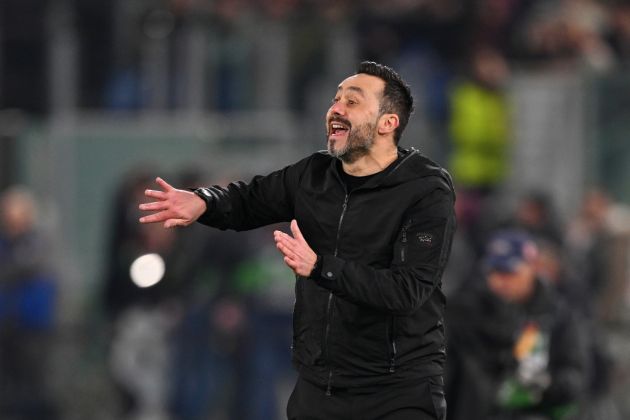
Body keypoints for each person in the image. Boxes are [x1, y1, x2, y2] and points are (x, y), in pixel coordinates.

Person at [138, 61, 456, 420]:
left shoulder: (425, 190)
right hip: (320, 389)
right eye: (335, 100)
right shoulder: (313, 175)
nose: (335, 108)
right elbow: (248, 199)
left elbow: (407, 290)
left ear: (388, 123)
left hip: (397, 392)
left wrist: (322, 268)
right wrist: (204, 201)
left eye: (352, 101)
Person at [445, 230, 588, 420]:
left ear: (533, 267)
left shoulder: (558, 314)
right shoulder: (466, 311)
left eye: (509, 272)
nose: (500, 281)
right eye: (494, 272)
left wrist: (545, 384)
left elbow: (576, 375)